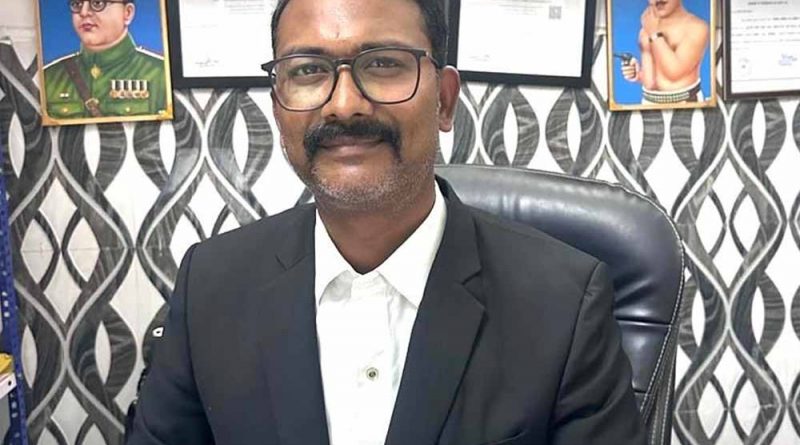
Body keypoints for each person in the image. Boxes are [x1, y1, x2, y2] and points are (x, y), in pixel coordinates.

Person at [127, 0, 646, 443]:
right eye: (307, 70)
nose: (344, 105)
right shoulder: (210, 285)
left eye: (383, 64)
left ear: (445, 101)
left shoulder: (564, 304)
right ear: (279, 107)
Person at [43, 0, 168, 119]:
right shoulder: (48, 78)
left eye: (98, 3)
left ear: (127, 13)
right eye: (77, 4)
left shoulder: (161, 75)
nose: (83, 12)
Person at [620, 0, 709, 104]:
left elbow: (675, 72)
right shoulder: (646, 28)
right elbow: (650, 83)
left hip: (685, 104)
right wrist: (637, 74)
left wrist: (654, 34)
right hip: (648, 103)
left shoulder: (697, 27)